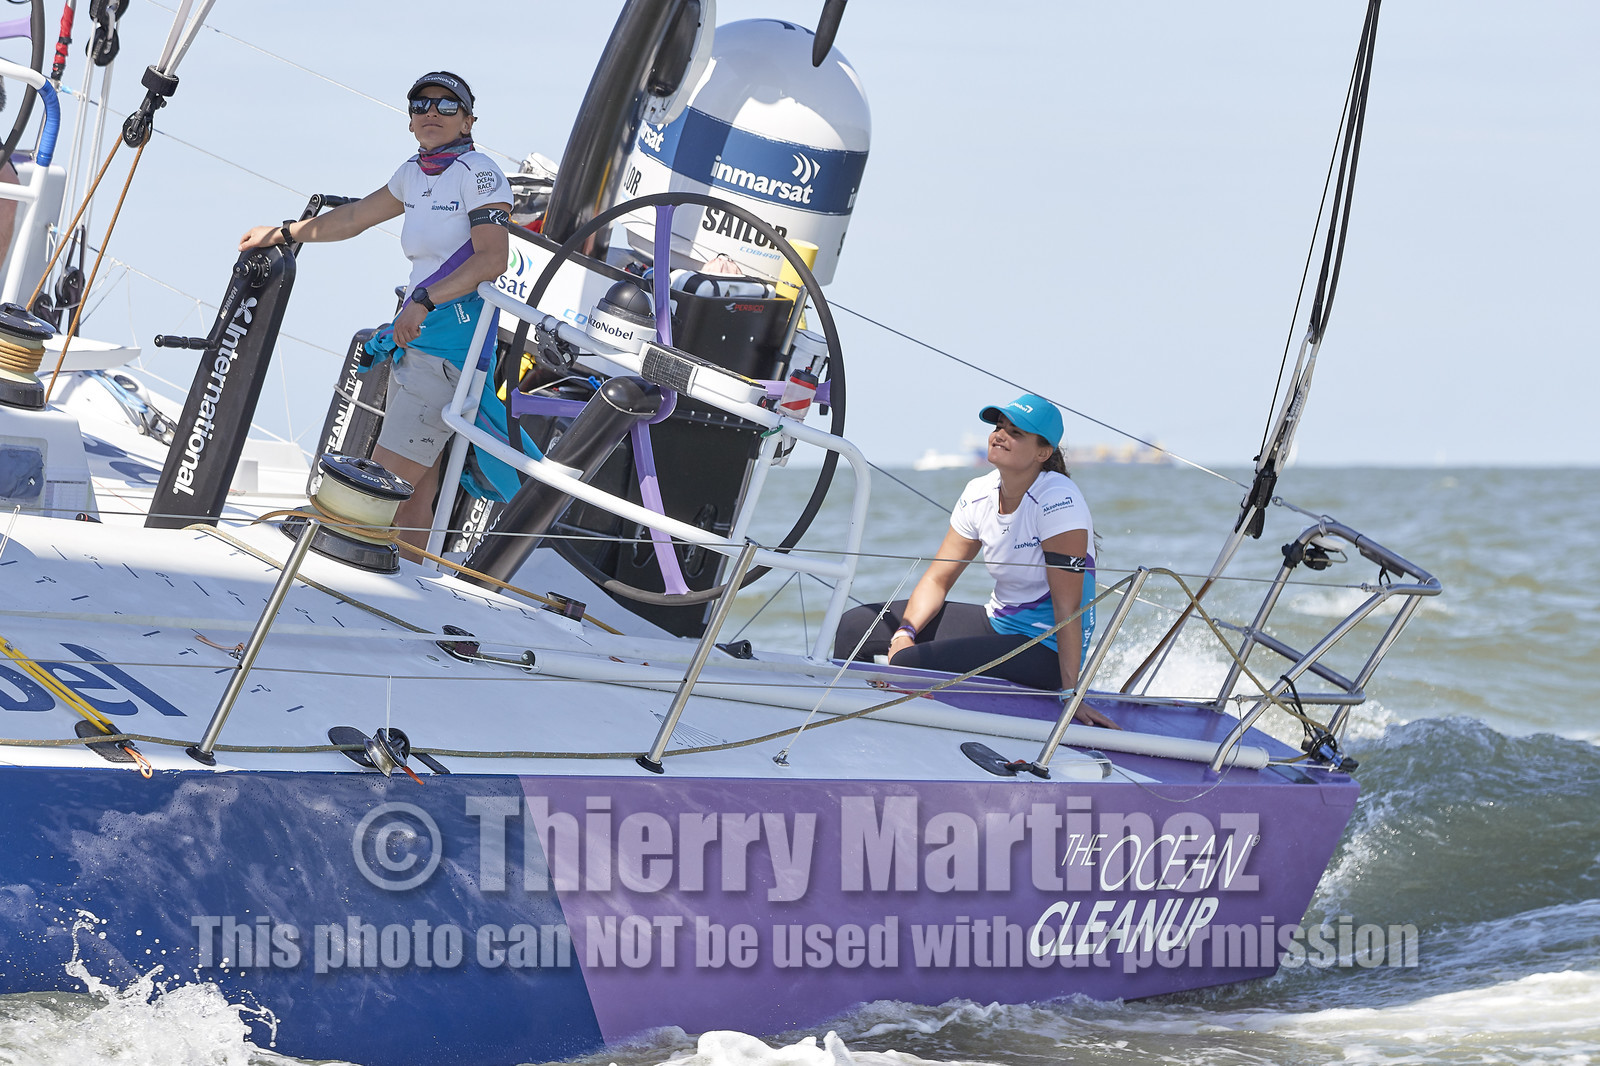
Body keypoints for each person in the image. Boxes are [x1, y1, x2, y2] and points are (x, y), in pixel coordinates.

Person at [240, 71, 510, 557]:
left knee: (377, 488)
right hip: (419, 338)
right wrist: (282, 233)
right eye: (421, 105)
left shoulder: (479, 173)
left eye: (447, 105)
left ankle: (325, 570)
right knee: (415, 494)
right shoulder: (412, 173)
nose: (432, 112)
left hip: (449, 345)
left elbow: (492, 259)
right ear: (409, 121)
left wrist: (424, 302)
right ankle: (415, 582)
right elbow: (352, 218)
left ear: (468, 121)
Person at [834, 393, 1116, 727]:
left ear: (1043, 452)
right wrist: (904, 632)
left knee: (910, 664)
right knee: (854, 626)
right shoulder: (978, 493)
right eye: (999, 427)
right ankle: (841, 718)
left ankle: (902, 726)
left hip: (1047, 647)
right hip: (997, 623)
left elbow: (1068, 611)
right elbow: (938, 578)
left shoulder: (1058, 501)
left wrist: (1072, 694)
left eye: (1016, 432)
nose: (1000, 435)